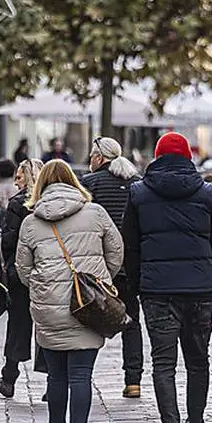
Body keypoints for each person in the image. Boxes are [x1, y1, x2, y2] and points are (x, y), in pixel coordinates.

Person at [123, 132, 212, 423]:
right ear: (188, 157)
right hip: (200, 289)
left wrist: (133, 287)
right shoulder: (207, 193)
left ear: (157, 157)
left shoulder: (140, 193)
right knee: (197, 361)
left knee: (163, 363)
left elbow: (129, 245)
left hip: (156, 290)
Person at [16, 160, 123, 423]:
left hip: (49, 307)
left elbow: (23, 270)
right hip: (88, 307)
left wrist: (41, 284)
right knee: (81, 376)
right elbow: (117, 251)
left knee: (56, 377)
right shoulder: (95, 213)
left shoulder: (31, 221)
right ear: (73, 181)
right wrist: (101, 279)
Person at [80, 136, 144, 398]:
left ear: (98, 157)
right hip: (130, 264)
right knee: (132, 321)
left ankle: (81, 377)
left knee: (91, 319)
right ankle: (133, 381)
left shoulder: (89, 183)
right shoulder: (137, 184)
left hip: (100, 265)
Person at [0, 159, 48, 398]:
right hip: (48, 271)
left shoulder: (18, 204)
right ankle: (53, 381)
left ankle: (9, 378)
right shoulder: (51, 201)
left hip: (20, 274)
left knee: (18, 325)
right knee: (48, 324)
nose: (15, 182)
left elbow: (8, 242)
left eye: (19, 177)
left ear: (30, 177)